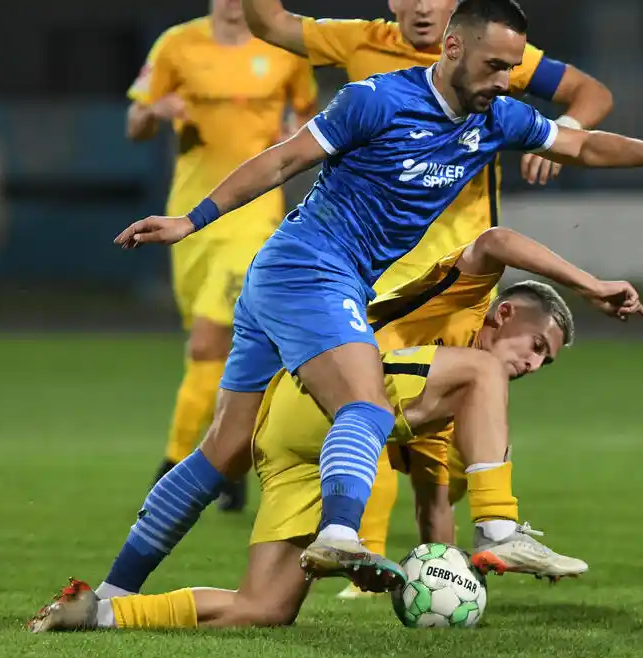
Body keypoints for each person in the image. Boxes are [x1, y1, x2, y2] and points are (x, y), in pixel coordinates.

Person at [106, 0, 643, 597]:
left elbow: (580, 146)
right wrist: (192, 219)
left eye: (512, 68)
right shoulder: (376, 100)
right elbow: (284, 159)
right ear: (453, 48)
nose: (504, 81)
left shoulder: (497, 117)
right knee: (365, 405)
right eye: (495, 66)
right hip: (309, 267)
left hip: (307, 280)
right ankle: (344, 535)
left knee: (224, 451)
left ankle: (109, 597)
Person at [240, 0, 615, 596]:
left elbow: (588, 92)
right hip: (373, 269)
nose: (422, 6)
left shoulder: (499, 57)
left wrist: (563, 136)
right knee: (374, 405)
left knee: (440, 450)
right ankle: (365, 544)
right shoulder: (358, 43)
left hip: (453, 269)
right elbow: (268, 25)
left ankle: (422, 566)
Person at [30, 267, 629, 632]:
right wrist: (591, 284)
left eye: (543, 362)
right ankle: (500, 527)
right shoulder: (460, 322)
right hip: (317, 387)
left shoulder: (466, 411)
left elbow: (432, 504)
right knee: (483, 374)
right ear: (503, 314)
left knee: (264, 608)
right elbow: (494, 240)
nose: (534, 364)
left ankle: (101, 612)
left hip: (298, 447)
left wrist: (444, 580)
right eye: (536, 347)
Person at [126, 0, 318, 510]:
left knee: (209, 344)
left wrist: (294, 135)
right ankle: (229, 461)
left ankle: (172, 469)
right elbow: (135, 121)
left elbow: (309, 115)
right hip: (187, 218)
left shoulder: (284, 48)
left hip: (252, 218)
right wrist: (153, 111)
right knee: (213, 347)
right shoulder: (177, 44)